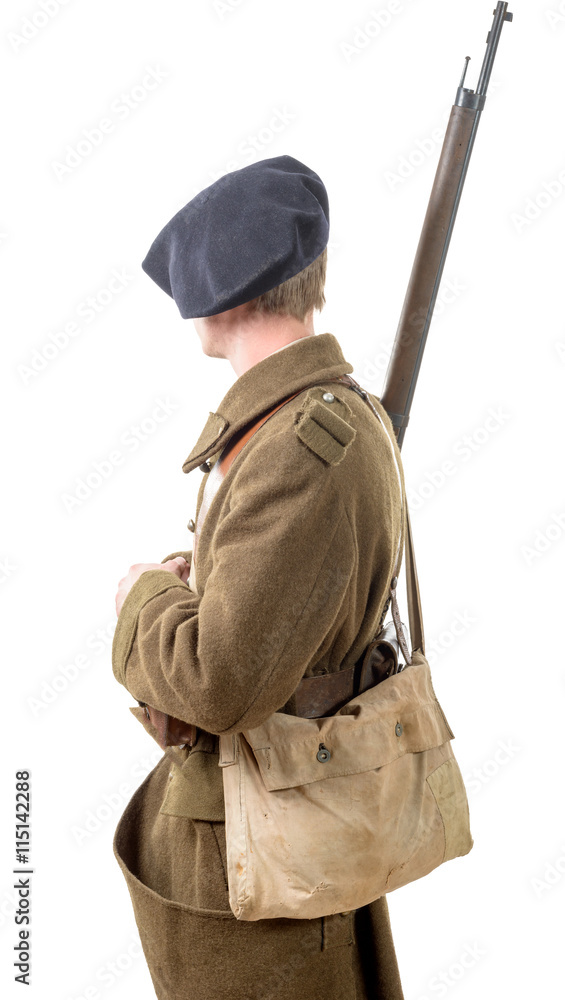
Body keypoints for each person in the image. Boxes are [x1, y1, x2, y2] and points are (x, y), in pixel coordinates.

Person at [112, 154, 406, 1000]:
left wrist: (142, 597)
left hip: (257, 861)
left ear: (224, 294)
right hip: (284, 828)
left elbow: (220, 680)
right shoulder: (310, 420)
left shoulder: (299, 448)